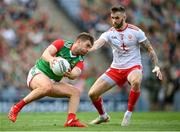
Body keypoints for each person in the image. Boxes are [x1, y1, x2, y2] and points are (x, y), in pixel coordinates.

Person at [88, 5, 162, 126]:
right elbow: (97, 44)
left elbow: (150, 49)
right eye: (112, 18)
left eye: (117, 18)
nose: (114, 21)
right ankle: (103, 116)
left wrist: (156, 66)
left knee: (136, 81)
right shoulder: (109, 33)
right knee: (92, 94)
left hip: (133, 67)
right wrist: (88, 49)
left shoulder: (136, 32)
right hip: (115, 69)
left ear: (124, 17)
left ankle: (128, 113)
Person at [8, 32, 94, 127]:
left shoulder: (80, 60)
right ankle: (16, 107)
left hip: (52, 82)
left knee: (75, 92)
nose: (88, 49)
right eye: (87, 45)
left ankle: (71, 120)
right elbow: (45, 54)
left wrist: (70, 74)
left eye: (90, 47)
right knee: (47, 86)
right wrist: (51, 59)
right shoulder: (61, 43)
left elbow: (76, 73)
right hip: (37, 73)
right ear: (78, 42)